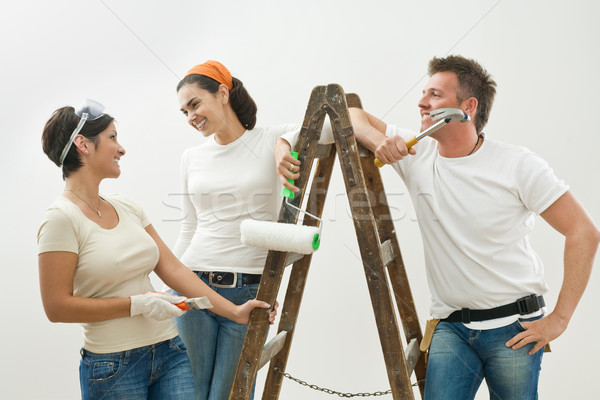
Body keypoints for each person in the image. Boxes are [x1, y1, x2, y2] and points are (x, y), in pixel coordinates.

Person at [282, 55, 600, 399]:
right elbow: (349, 113)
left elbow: (583, 232)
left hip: (514, 328)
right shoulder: (418, 153)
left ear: (468, 106)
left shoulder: (518, 164)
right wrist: (377, 140)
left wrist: (560, 319)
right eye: (423, 93)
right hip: (451, 329)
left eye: (434, 95)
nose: (421, 102)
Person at [38, 99, 276, 400]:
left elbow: (173, 268)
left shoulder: (127, 206)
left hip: (170, 352)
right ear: (83, 145)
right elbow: (56, 307)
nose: (121, 149)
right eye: (112, 138)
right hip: (112, 366)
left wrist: (235, 312)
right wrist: (135, 305)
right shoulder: (61, 219)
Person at [171, 60, 300, 400]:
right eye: (184, 111)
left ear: (223, 93)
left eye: (195, 104)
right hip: (193, 288)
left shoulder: (270, 138)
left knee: (230, 396)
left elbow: (323, 125)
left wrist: (282, 145)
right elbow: (189, 227)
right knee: (190, 394)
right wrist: (169, 286)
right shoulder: (191, 157)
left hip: (248, 292)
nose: (190, 117)